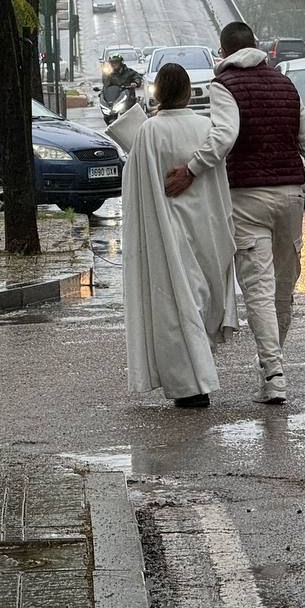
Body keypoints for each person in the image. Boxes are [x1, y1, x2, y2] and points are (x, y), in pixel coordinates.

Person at [165, 21, 305, 405]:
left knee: (258, 290)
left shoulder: (224, 85)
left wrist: (191, 170)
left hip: (247, 200)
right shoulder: (285, 85)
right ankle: (272, 367)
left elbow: (224, 136)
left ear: (223, 52)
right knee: (284, 287)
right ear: (258, 46)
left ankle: (274, 374)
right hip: (291, 197)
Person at [122, 63, 239, 408]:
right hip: (206, 227)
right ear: (189, 92)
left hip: (167, 231)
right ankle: (197, 377)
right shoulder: (207, 128)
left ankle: (191, 382)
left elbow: (137, 183)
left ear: (158, 92)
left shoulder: (149, 132)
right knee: (201, 300)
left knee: (176, 303)